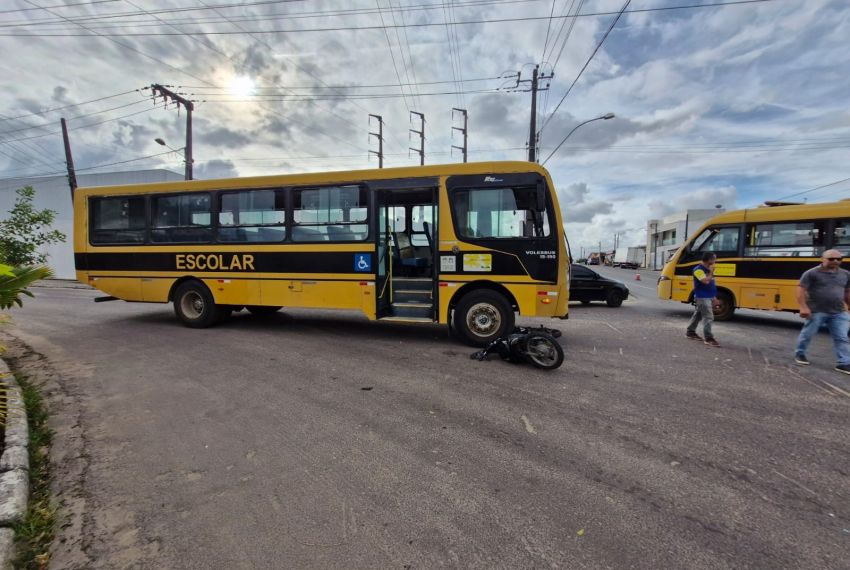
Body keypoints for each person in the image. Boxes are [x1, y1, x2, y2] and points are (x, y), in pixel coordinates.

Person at [794, 249, 850, 374]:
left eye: (839, 259)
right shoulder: (812, 273)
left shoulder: (845, 274)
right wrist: (803, 307)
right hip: (816, 311)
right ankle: (800, 353)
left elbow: (847, 292)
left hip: (839, 312)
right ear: (822, 259)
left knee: (842, 337)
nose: (835, 261)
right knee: (807, 334)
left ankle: (844, 363)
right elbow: (800, 289)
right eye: (831, 259)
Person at [686, 252, 720, 347]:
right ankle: (708, 338)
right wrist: (711, 272)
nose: (715, 261)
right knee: (708, 317)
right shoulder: (698, 270)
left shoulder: (707, 269)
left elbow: (711, 285)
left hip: (709, 296)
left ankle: (690, 332)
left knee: (698, 315)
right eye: (714, 259)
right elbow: (705, 281)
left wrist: (714, 297)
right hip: (702, 297)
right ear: (709, 260)